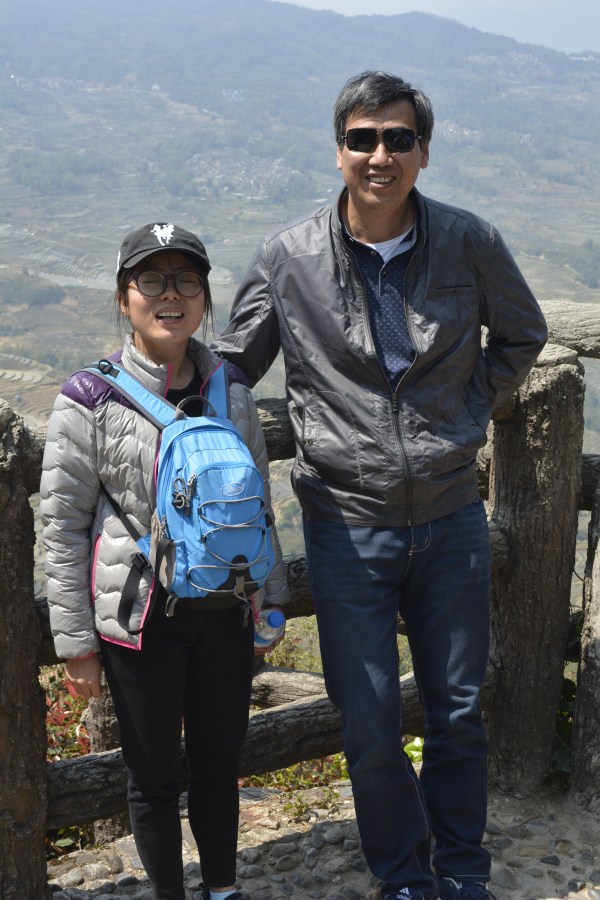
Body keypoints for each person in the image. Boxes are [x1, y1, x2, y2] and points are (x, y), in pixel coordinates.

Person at [212, 72, 548, 900]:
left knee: (458, 708)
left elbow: (523, 332)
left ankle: (461, 870)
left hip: (450, 514)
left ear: (423, 152)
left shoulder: (468, 241)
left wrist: (466, 411)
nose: (379, 155)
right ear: (339, 151)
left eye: (398, 139)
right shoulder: (288, 258)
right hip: (344, 523)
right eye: (362, 139)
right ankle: (403, 875)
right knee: (367, 721)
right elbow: (231, 368)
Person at [40, 222, 289, 900]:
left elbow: (258, 503)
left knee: (219, 764)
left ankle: (222, 889)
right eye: (152, 280)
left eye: (186, 280)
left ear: (204, 297)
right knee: (151, 777)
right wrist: (77, 644)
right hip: (141, 618)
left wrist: (270, 595)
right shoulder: (90, 397)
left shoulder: (230, 386)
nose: (170, 295)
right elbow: (62, 527)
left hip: (227, 610)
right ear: (124, 298)